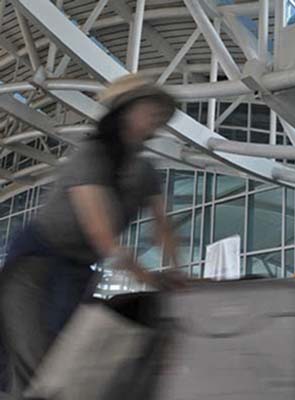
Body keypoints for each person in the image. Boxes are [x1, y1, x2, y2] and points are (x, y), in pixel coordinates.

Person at [0, 75, 181, 398]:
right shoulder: (91, 156)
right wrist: (150, 278)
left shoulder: (145, 171)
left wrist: (177, 270)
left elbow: (163, 227)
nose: (158, 121)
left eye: (162, 117)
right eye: (152, 111)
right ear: (125, 111)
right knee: (40, 363)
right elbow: (102, 236)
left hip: (79, 273)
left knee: (71, 364)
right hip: (35, 270)